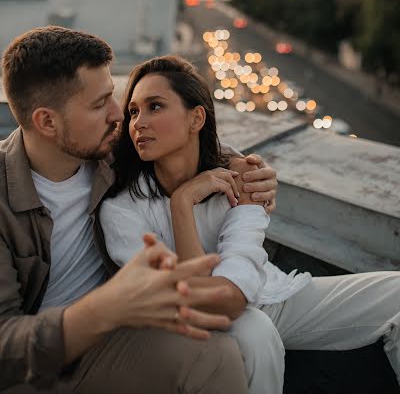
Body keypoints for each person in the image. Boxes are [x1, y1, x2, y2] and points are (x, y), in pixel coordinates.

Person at [100, 55, 400, 394]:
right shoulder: (122, 211)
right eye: (134, 112)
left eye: (155, 106)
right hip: (200, 321)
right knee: (256, 332)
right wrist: (182, 203)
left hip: (271, 294)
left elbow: (242, 261)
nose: (139, 122)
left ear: (196, 117)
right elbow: (199, 303)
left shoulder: (241, 175)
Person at [0, 26, 277, 393]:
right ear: (47, 121)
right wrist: (103, 308)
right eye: (100, 105)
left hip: (114, 340)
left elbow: (181, 139)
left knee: (218, 355)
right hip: (36, 367)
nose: (119, 116)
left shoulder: (105, 150)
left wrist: (244, 169)